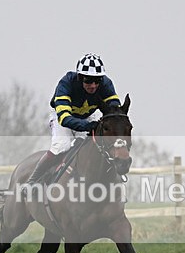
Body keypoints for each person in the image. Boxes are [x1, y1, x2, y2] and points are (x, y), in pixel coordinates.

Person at [23, 53, 122, 190]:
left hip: (87, 116)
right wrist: (87, 126)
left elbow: (114, 110)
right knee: (61, 146)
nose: (93, 86)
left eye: (97, 80)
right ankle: (31, 181)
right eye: (88, 81)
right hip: (62, 117)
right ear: (80, 78)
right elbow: (65, 118)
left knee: (91, 146)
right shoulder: (66, 83)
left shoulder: (106, 84)